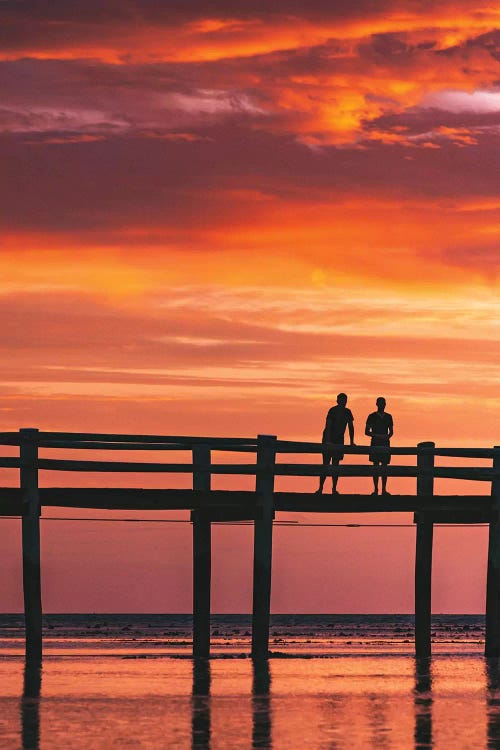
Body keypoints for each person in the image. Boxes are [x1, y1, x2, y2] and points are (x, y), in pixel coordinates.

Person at [316, 392, 355, 495]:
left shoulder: (348, 412)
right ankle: (320, 488)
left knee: (336, 465)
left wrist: (352, 442)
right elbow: (328, 426)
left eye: (345, 400)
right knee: (325, 464)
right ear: (337, 401)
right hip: (329, 439)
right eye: (341, 400)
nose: (343, 402)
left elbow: (351, 427)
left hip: (339, 439)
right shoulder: (332, 410)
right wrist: (328, 441)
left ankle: (334, 488)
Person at [365, 397, 393, 495]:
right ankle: (376, 489)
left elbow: (391, 432)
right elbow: (366, 431)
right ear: (377, 404)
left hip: (385, 444)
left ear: (385, 404)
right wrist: (377, 436)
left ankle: (384, 489)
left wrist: (387, 437)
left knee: (384, 467)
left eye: (383, 403)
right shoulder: (371, 416)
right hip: (375, 443)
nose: (382, 405)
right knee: (376, 467)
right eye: (380, 403)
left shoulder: (389, 417)